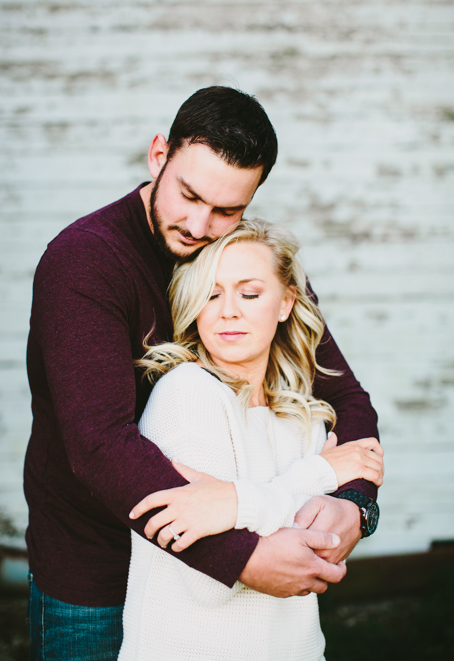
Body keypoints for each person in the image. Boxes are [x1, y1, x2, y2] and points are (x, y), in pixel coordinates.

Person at [24, 86, 382, 661]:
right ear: (158, 155)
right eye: (189, 195)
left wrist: (354, 504)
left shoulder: (247, 257)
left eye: (227, 210)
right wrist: (240, 556)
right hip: (97, 580)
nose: (199, 224)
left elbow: (341, 392)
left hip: (234, 602)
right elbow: (98, 446)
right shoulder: (86, 263)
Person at [119, 218, 383, 660]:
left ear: (285, 303)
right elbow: (207, 578)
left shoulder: (304, 415)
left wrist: (235, 504)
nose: (228, 310)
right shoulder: (185, 394)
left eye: (250, 292)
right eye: (211, 293)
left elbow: (316, 549)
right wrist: (319, 472)